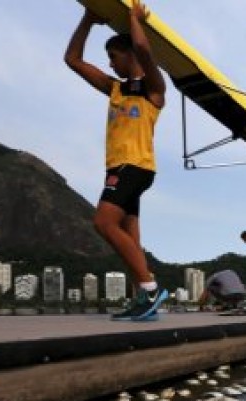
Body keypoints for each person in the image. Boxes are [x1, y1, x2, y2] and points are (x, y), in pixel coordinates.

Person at [64, 1, 168, 321]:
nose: (110, 65)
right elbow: (73, 60)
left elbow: (141, 47)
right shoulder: (115, 90)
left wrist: (135, 20)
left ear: (128, 55)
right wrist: (87, 19)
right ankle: (144, 300)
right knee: (130, 239)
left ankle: (151, 290)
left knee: (103, 223)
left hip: (134, 167)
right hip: (120, 169)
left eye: (113, 57)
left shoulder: (154, 90)